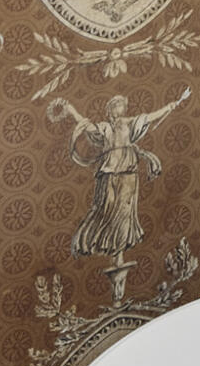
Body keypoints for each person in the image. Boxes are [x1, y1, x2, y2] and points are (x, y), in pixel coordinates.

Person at [52, 93, 189, 261]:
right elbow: (86, 126)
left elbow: (148, 118)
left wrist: (169, 107)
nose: (121, 108)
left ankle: (119, 248)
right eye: (117, 105)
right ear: (110, 110)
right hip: (108, 170)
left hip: (127, 169)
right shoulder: (104, 127)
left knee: (124, 208)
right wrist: (72, 110)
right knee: (106, 205)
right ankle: (101, 240)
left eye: (122, 105)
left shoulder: (127, 122)